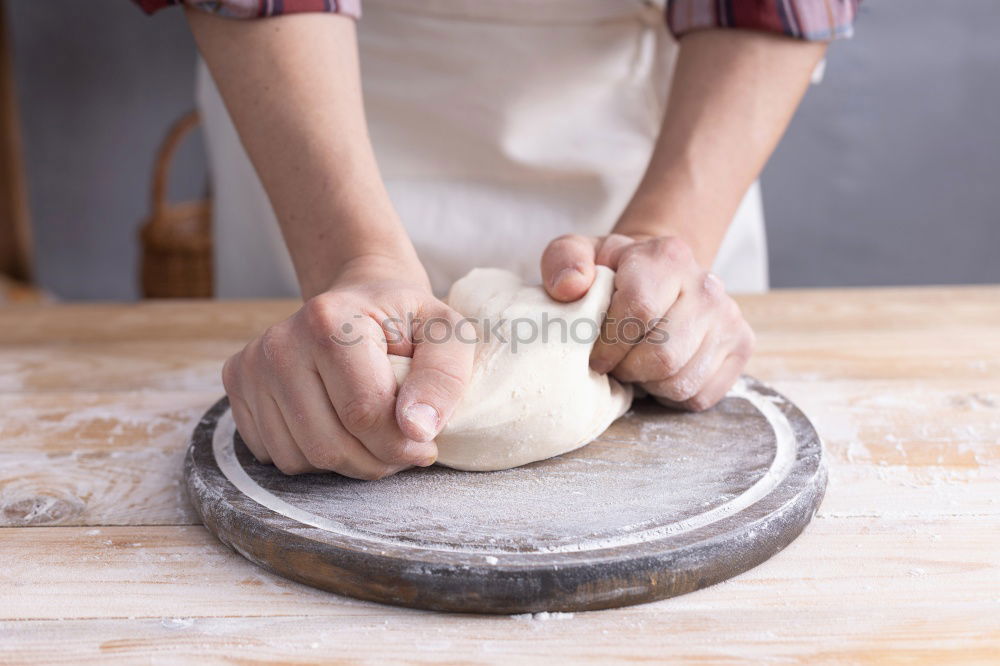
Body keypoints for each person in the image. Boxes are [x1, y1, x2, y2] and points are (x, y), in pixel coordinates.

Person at [137, 0, 859, 479]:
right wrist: (353, 259)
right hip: (318, 115)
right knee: (330, 405)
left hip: (652, 120)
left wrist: (665, 239)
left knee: (661, 348)